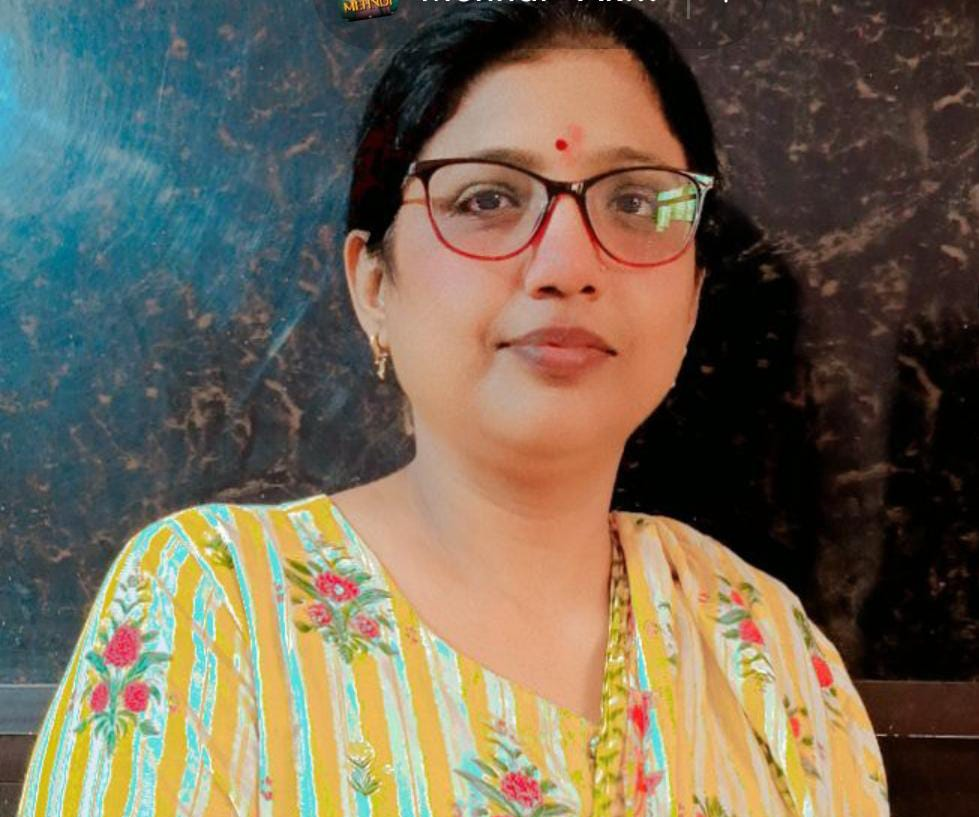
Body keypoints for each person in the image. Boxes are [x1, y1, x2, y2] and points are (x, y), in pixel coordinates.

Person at [17, 2, 890, 816]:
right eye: (486, 199)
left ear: (693, 297)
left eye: (632, 201)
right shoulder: (214, 606)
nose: (565, 265)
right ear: (373, 286)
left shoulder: (767, 651)